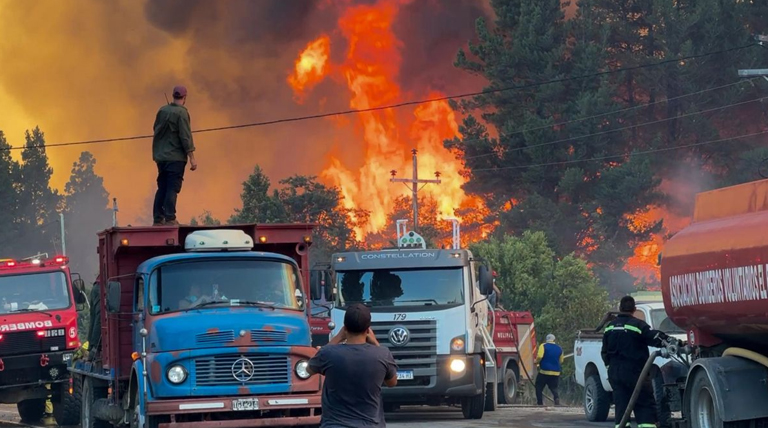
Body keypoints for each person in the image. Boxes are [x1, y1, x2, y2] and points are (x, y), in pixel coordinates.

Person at [308, 303, 398, 427]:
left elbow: (309, 369)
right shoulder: (382, 354)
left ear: (344, 328)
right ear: (368, 330)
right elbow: (392, 382)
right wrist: (376, 342)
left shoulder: (328, 353)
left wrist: (338, 338)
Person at [602, 296, 670, 428]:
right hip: (636, 373)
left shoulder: (609, 327)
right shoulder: (638, 325)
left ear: (620, 308)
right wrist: (671, 341)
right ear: (634, 309)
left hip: (615, 374)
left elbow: (604, 351)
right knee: (644, 405)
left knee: (621, 406)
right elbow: (654, 338)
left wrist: (610, 367)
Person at [152, 85, 197, 226]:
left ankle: (158, 219)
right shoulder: (182, 113)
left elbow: (155, 128)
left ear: (173, 96)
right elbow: (185, 136)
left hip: (161, 157)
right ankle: (170, 218)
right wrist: (192, 158)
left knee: (162, 187)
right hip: (175, 157)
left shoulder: (162, 110)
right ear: (185, 98)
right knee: (172, 188)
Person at [535, 333, 563, 406]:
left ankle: (540, 402)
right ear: (554, 340)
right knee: (554, 388)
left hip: (544, 372)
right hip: (556, 373)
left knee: (538, 386)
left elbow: (540, 356)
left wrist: (536, 362)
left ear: (546, 339)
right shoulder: (559, 348)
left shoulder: (543, 346)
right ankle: (556, 399)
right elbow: (561, 360)